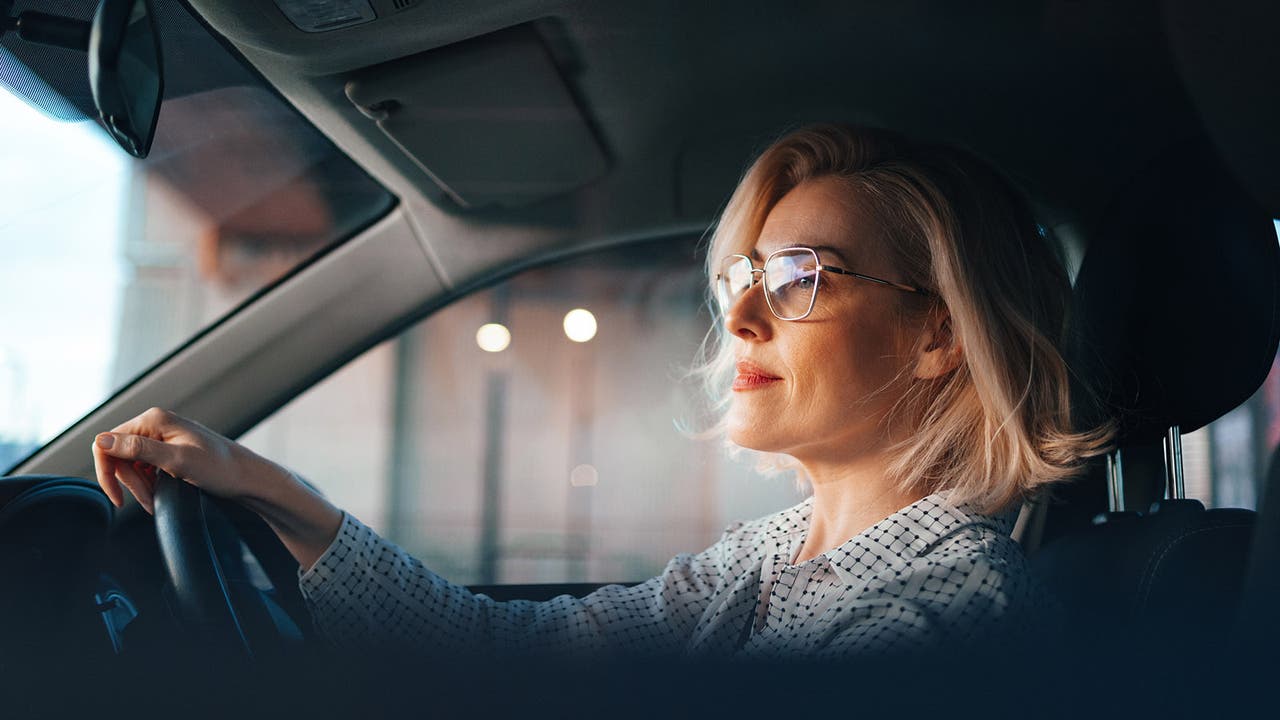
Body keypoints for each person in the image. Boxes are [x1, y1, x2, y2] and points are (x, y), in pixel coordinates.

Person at [90, 124, 1111, 659]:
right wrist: (263, 489)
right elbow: (501, 650)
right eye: (740, 280)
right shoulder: (770, 558)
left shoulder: (940, 615)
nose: (743, 320)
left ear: (938, 331)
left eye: (799, 275)